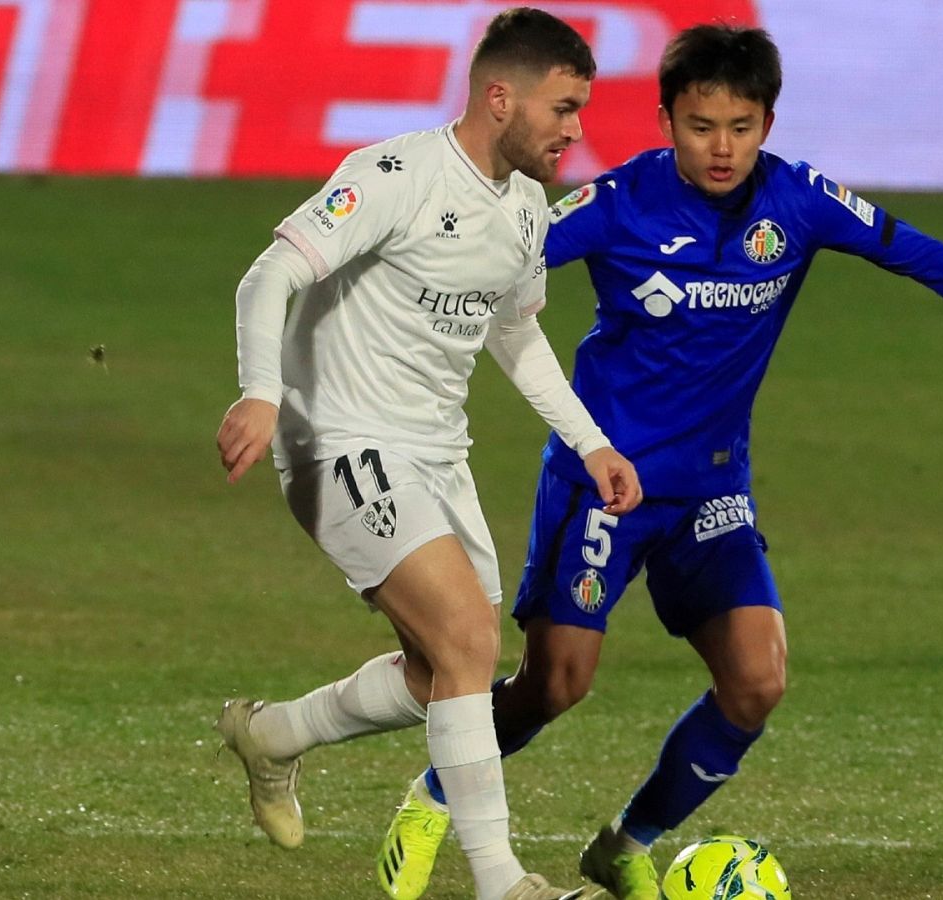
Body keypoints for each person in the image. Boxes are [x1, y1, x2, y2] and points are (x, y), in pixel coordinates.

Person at [373, 23, 943, 900]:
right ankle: (433, 792)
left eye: (740, 126)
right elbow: (487, 261)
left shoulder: (800, 202)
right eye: (699, 126)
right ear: (665, 121)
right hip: (605, 485)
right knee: (555, 685)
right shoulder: (615, 203)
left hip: (712, 490)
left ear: (767, 121)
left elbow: (924, 257)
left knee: (757, 682)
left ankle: (624, 842)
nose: (720, 148)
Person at [211, 9, 641, 900]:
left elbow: (516, 337)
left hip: (437, 454)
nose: (576, 129)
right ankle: (500, 882)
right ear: (498, 97)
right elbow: (271, 274)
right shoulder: (397, 175)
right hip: (336, 437)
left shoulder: (526, 211)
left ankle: (274, 735)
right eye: (563, 108)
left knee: (444, 671)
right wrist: (260, 390)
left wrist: (592, 442)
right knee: (469, 638)